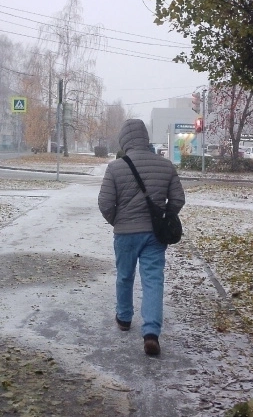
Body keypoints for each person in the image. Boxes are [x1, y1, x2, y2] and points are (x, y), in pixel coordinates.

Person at [98, 119, 185, 356]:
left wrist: (118, 221)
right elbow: (178, 199)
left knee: (125, 276)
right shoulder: (165, 166)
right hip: (155, 235)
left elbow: (105, 203)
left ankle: (124, 318)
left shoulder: (115, 168)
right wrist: (164, 216)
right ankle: (151, 333)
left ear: (124, 141)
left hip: (125, 234)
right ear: (145, 139)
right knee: (153, 281)